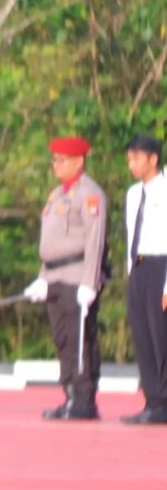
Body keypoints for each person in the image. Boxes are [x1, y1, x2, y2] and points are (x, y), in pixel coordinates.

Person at [22, 136, 107, 421]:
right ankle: (70, 395)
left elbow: (95, 242)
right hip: (55, 278)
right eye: (54, 159)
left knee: (79, 338)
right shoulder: (57, 194)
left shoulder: (90, 194)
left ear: (79, 161)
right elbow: (52, 242)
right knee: (61, 338)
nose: (55, 165)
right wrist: (42, 278)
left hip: (77, 277)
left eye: (61, 160)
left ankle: (84, 399)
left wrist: (90, 282)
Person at [120, 134, 167, 424]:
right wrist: (130, 273)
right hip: (138, 268)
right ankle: (152, 400)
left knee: (161, 336)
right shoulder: (133, 193)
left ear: (153, 158)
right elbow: (130, 235)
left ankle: (164, 401)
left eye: (136, 158)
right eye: (129, 158)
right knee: (143, 337)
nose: (131, 164)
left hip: (161, 266)